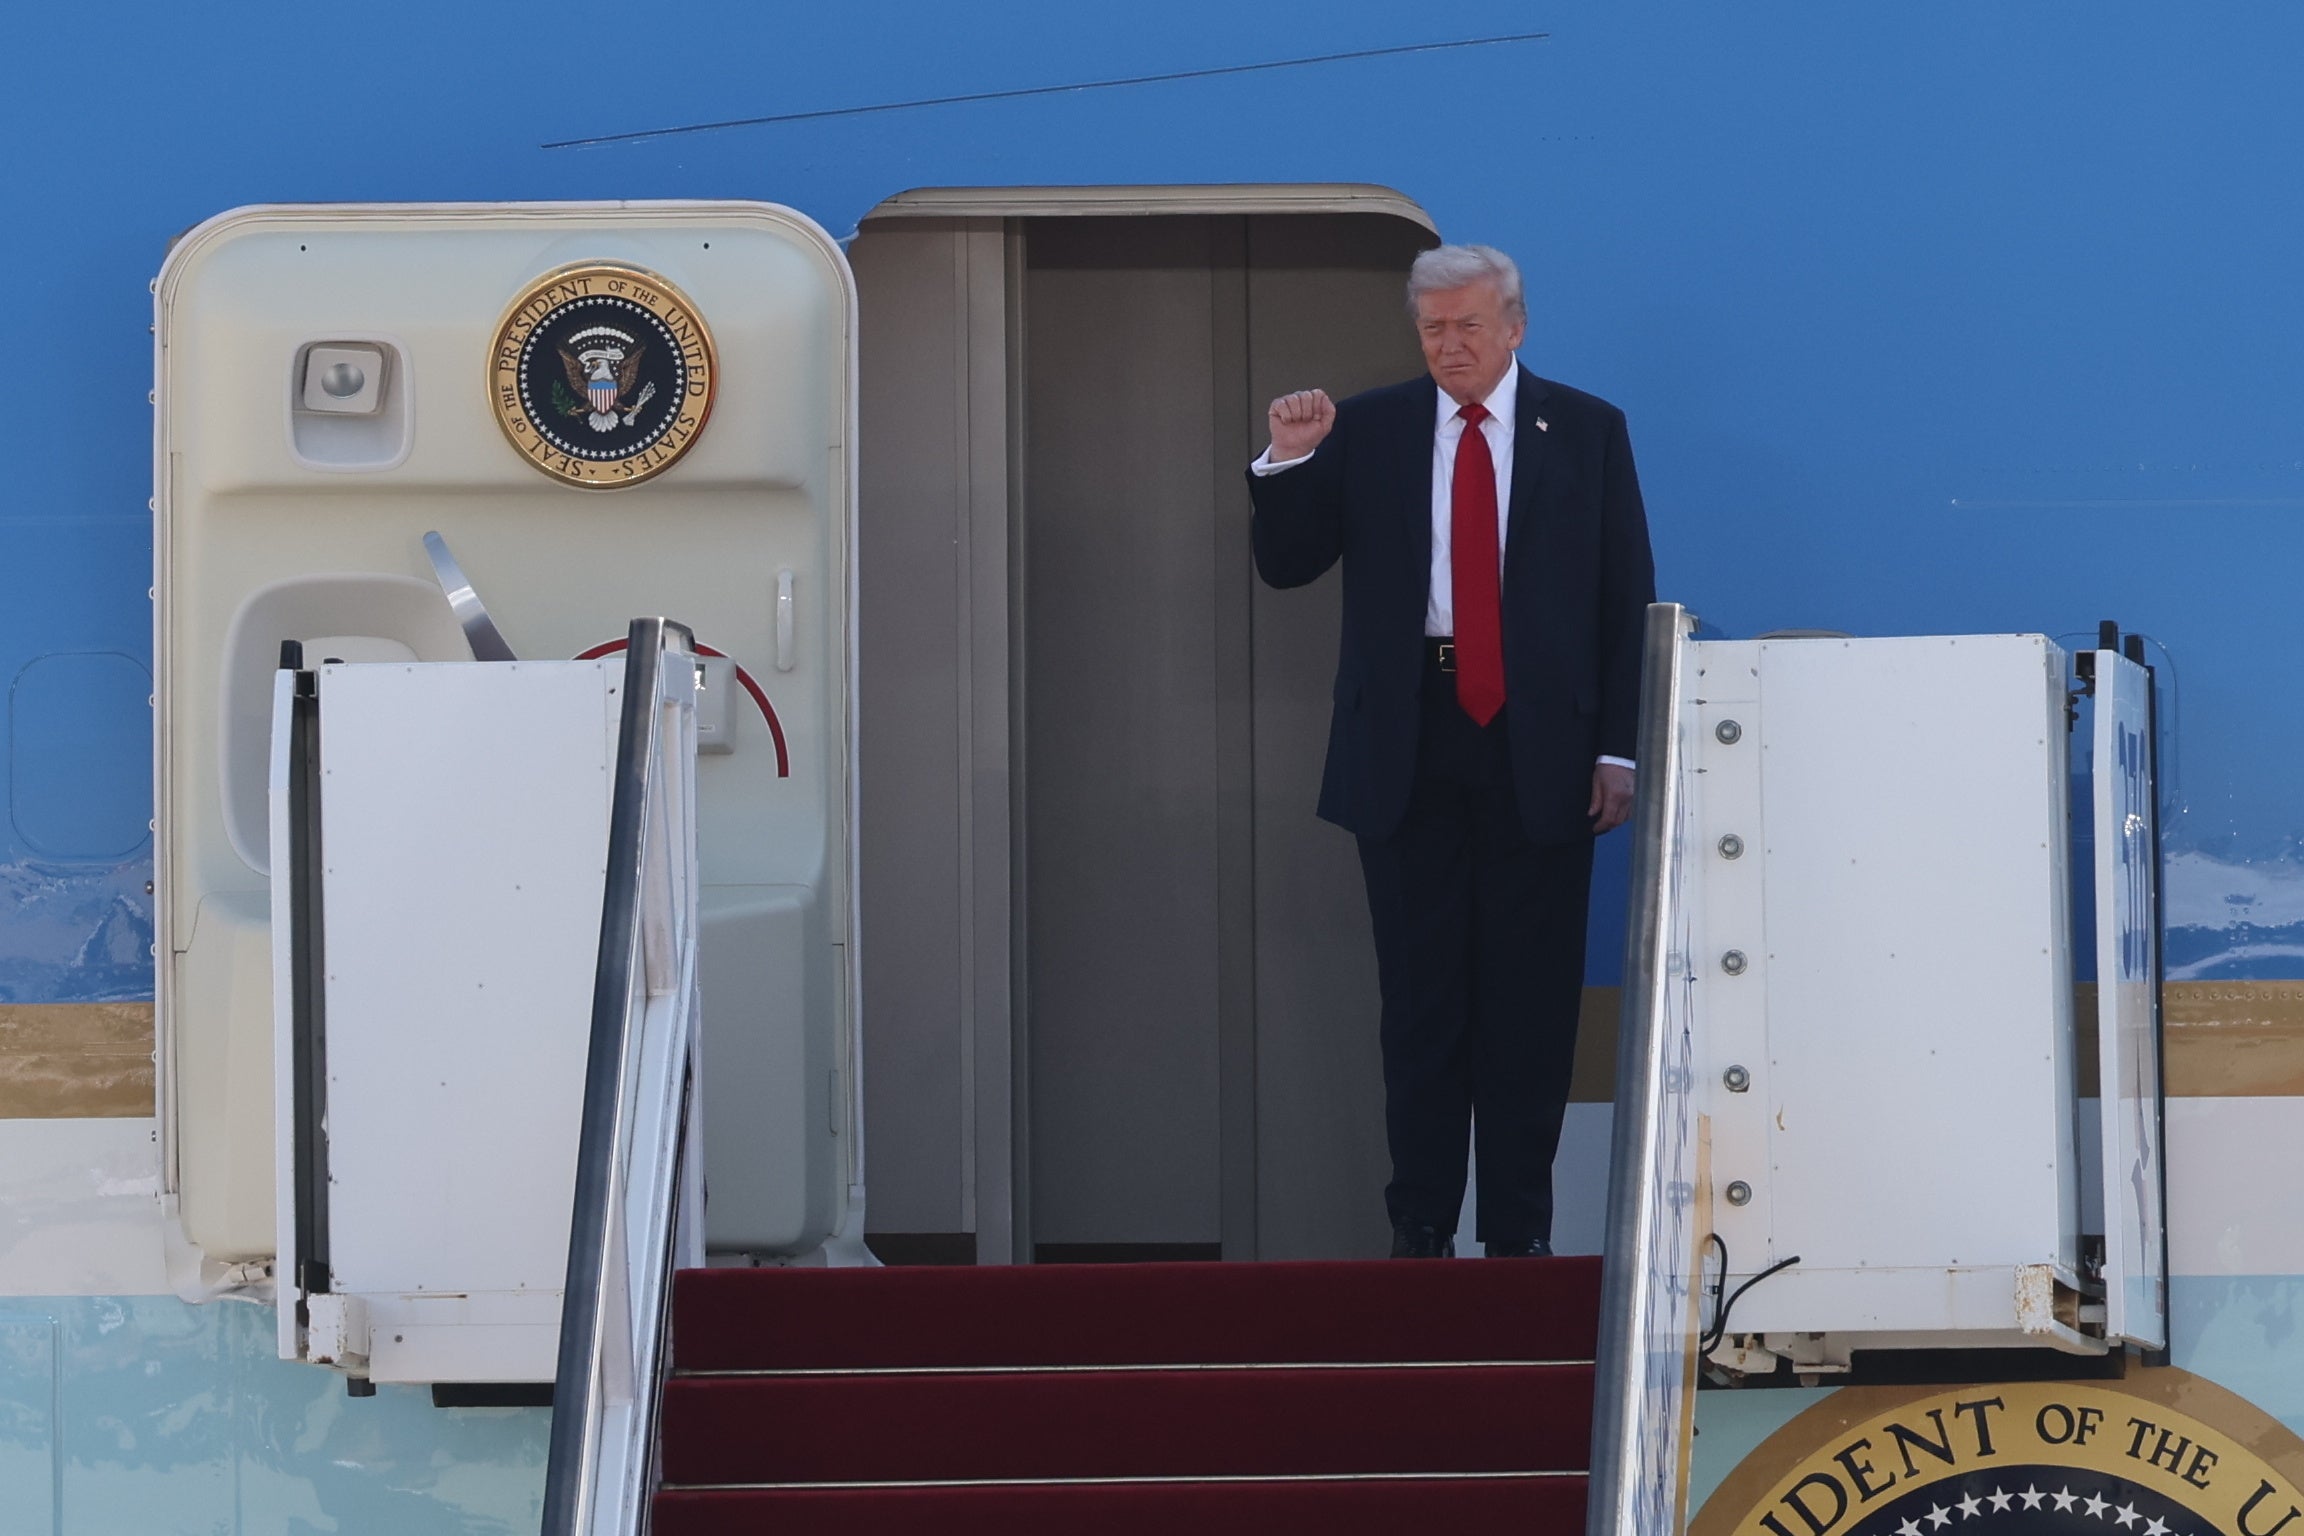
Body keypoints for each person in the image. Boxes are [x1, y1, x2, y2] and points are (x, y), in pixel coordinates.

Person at [1246, 243, 1654, 1259]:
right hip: (1410, 742)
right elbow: (1287, 564)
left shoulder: (1588, 429)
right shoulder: (1371, 426)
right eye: (1433, 329)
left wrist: (1619, 751)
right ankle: (1420, 1230)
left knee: (1531, 1007)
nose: (1450, 345)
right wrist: (1289, 462)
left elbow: (1623, 598)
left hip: (1542, 749)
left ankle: (1518, 1238)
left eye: (1469, 326)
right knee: (1421, 1005)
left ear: (1515, 327)